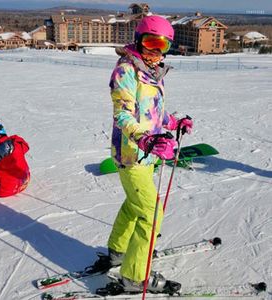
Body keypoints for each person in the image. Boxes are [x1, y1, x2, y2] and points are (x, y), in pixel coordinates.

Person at [91, 15, 193, 293]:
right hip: (131, 153)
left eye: (162, 46)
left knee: (135, 205)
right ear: (138, 40)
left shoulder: (152, 72)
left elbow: (152, 113)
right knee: (150, 213)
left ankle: (118, 251)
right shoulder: (126, 70)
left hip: (148, 155)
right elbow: (123, 115)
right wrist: (145, 139)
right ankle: (134, 277)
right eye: (150, 42)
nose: (155, 51)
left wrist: (174, 122)